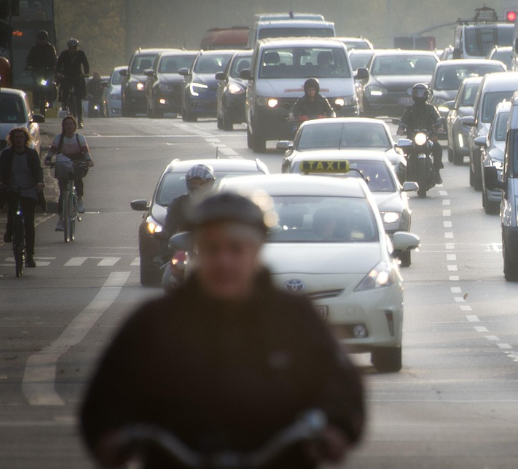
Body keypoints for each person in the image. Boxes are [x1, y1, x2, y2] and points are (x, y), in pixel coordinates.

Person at [79, 191, 365, 468]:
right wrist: (110, 433)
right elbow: (107, 392)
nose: (224, 262)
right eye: (213, 248)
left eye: (236, 249)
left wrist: (334, 427)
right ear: (197, 252)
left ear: (256, 252)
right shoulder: (154, 322)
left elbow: (340, 384)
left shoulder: (296, 318)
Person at [0, 128, 45, 268]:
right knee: (12, 210)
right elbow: (1, 169)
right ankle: (10, 229)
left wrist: (39, 182)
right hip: (12, 189)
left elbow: (37, 170)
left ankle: (30, 256)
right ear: (12, 139)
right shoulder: (7, 154)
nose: (18, 140)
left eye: (21, 137)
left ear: (25, 139)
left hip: (28, 190)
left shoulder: (31, 154)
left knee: (29, 222)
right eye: (16, 137)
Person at [44, 115, 94, 230]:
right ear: (63, 126)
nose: (69, 126)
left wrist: (89, 160)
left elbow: (85, 151)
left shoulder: (79, 137)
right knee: (62, 192)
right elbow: (52, 149)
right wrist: (48, 159)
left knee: (78, 179)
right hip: (63, 162)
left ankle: (80, 199)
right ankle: (61, 219)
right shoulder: (59, 137)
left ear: (74, 126)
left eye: (71, 123)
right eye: (67, 124)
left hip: (77, 162)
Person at [398, 83, 443, 184]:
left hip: (428, 136)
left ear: (426, 95)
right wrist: (401, 128)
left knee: (437, 147)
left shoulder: (430, 108)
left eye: (422, 93)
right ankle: (404, 174)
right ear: (413, 95)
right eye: (417, 93)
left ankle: (436, 172)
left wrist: (439, 127)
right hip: (412, 137)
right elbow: (403, 121)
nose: (419, 96)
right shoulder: (409, 109)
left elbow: (437, 119)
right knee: (402, 150)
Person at [55, 38, 90, 128]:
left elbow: (85, 64)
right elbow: (58, 65)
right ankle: (64, 102)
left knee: (78, 98)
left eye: (74, 48)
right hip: (66, 75)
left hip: (77, 76)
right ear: (68, 48)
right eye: (71, 48)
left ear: (76, 48)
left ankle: (80, 119)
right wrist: (58, 73)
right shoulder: (64, 54)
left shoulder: (81, 54)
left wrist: (86, 73)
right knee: (64, 89)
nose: (72, 50)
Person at [25, 31, 58, 112]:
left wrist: (55, 65)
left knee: (49, 84)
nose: (42, 41)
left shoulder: (51, 48)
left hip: (48, 70)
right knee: (36, 85)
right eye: (40, 39)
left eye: (44, 39)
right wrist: (29, 65)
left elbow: (54, 58)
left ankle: (50, 101)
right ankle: (36, 102)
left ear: (46, 39)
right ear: (38, 39)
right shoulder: (34, 48)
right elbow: (29, 58)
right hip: (37, 70)